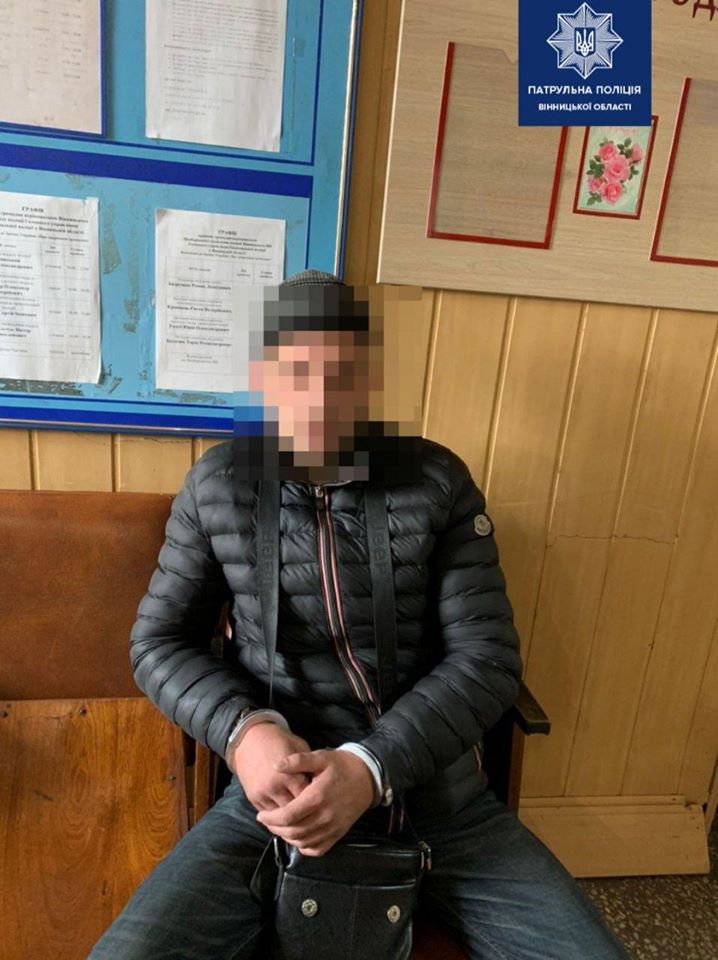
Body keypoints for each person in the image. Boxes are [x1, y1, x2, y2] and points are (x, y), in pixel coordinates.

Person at [87, 270, 631, 959]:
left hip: (439, 802)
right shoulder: (217, 484)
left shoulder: (438, 481)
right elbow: (159, 642)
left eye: (339, 373)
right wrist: (245, 732)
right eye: (295, 373)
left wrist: (371, 768)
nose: (316, 398)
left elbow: (487, 659)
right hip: (273, 800)